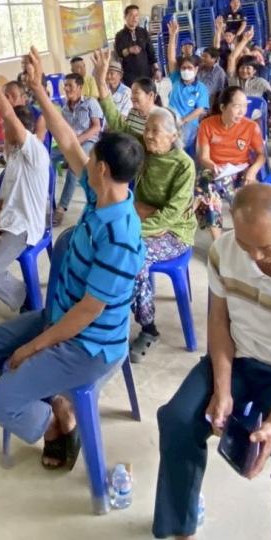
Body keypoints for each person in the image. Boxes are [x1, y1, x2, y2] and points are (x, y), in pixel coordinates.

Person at [0, 46, 145, 471]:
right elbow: (68, 139)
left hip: (89, 344)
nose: (84, 159)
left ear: (102, 169)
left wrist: (34, 347)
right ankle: (54, 401)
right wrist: (37, 88)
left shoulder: (121, 236)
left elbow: (89, 312)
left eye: (93, 158)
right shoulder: (102, 193)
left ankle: (58, 421)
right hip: (60, 315)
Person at [153, 184, 271, 540]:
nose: (255, 258)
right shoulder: (224, 251)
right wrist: (222, 390)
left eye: (267, 248)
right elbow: (219, 321)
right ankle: (180, 527)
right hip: (237, 358)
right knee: (177, 420)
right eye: (245, 244)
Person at [92, 49, 196, 363]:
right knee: (104, 242)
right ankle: (106, 308)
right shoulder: (145, 148)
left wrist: (137, 227)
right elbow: (116, 122)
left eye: (155, 132)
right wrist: (101, 83)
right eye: (147, 129)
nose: (148, 136)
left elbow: (172, 215)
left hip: (175, 233)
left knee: (134, 255)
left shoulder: (184, 165)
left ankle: (149, 327)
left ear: (173, 136)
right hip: (144, 219)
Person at [0, 47, 51, 312]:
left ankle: (28, 301)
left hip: (23, 227)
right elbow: (4, 195)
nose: (2, 130)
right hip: (6, 218)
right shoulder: (14, 154)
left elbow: (7, 113)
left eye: (6, 127)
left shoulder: (34, 151)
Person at [195, 87, 266, 239]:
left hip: (241, 171)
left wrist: (253, 170)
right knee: (205, 185)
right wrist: (214, 167)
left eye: (245, 106)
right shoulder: (207, 125)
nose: (242, 112)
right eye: (237, 106)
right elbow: (204, 158)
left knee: (251, 197)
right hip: (216, 170)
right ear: (223, 107)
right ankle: (218, 240)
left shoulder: (251, 127)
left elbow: (261, 155)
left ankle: (243, 234)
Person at [52, 73, 103, 225]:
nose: (67, 89)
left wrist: (77, 141)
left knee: (74, 168)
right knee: (47, 157)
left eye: (70, 86)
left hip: (89, 142)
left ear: (80, 87)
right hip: (71, 143)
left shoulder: (90, 102)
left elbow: (96, 127)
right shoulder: (65, 109)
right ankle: (45, 197)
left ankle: (61, 208)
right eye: (65, 86)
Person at [164, 19, 210, 147]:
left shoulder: (201, 88)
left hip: (189, 124)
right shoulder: (176, 79)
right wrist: (172, 36)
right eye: (183, 68)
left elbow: (200, 109)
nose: (186, 70)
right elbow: (171, 58)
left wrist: (183, 120)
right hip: (171, 122)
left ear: (196, 69)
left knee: (184, 144)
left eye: (189, 68)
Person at [227, 29, 271, 123]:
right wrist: (244, 40)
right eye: (242, 68)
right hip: (235, 118)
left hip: (255, 119)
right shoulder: (233, 79)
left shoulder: (261, 82)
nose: (244, 71)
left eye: (248, 68)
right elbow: (231, 58)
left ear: (254, 71)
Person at [114, 4, 158, 85]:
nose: (135, 18)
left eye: (137, 15)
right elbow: (119, 53)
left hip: (146, 74)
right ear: (125, 17)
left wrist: (156, 69)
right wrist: (129, 50)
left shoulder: (143, 32)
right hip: (129, 77)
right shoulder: (120, 35)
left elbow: (151, 53)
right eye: (131, 15)